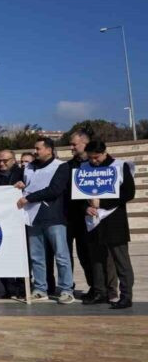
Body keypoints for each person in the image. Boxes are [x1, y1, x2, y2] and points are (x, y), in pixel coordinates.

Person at [16, 137, 74, 304]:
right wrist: (19, 184)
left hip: (53, 217)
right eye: (35, 148)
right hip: (32, 217)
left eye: (38, 148)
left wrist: (30, 197)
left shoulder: (61, 166)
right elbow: (22, 185)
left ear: (49, 150)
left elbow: (55, 190)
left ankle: (66, 290)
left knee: (61, 255)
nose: (35, 151)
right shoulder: (28, 167)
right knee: (36, 256)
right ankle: (40, 288)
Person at [82, 140, 135, 309]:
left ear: (105, 152)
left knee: (121, 261)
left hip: (114, 220)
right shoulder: (85, 168)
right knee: (96, 260)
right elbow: (78, 193)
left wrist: (102, 202)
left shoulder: (120, 166)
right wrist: (86, 207)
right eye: (90, 158)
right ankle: (100, 292)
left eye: (96, 157)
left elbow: (128, 192)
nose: (93, 161)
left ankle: (126, 296)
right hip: (93, 221)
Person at [68, 131, 116, 302]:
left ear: (85, 144)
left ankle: (111, 290)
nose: (71, 147)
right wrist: (84, 208)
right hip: (80, 219)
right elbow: (74, 194)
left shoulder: (107, 165)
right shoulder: (70, 166)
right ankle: (95, 288)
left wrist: (100, 205)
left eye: (74, 144)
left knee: (106, 257)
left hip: (104, 218)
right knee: (87, 257)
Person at [0, 149, 25, 298]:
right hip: (0, 224)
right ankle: (9, 289)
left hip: (21, 223)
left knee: (22, 256)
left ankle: (23, 288)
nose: (1, 163)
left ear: (13, 160)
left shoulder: (24, 174)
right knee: (3, 256)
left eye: (5, 160)